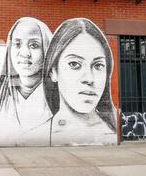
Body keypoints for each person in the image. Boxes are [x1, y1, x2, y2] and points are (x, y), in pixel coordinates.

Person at [43, 18, 117, 146]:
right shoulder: (38, 133)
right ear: (53, 72)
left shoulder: (112, 133)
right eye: (74, 64)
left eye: (98, 66)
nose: (89, 79)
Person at [0, 17, 53, 146]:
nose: (24, 53)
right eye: (17, 44)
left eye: (34, 45)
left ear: (47, 50)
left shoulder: (59, 99)